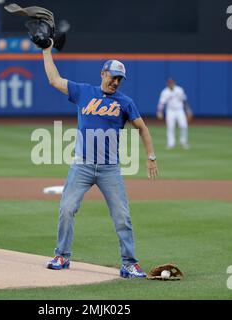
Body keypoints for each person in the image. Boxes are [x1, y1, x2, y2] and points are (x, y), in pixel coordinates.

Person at [42, 39, 158, 278]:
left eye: (119, 79)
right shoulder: (84, 91)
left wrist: (151, 157)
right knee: (66, 208)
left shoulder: (125, 102)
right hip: (82, 165)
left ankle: (129, 263)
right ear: (103, 73)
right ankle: (62, 256)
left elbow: (143, 128)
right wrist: (46, 50)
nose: (115, 82)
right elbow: (54, 80)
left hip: (109, 169)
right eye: (112, 76)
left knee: (122, 216)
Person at [156, 78, 191, 149]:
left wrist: (188, 110)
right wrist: (159, 111)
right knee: (170, 127)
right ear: (167, 84)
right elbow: (161, 103)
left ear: (174, 83)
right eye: (169, 83)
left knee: (183, 125)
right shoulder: (165, 92)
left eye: (171, 82)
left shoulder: (179, 90)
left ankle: (183, 142)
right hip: (170, 111)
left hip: (179, 110)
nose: (170, 84)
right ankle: (171, 144)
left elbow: (184, 101)